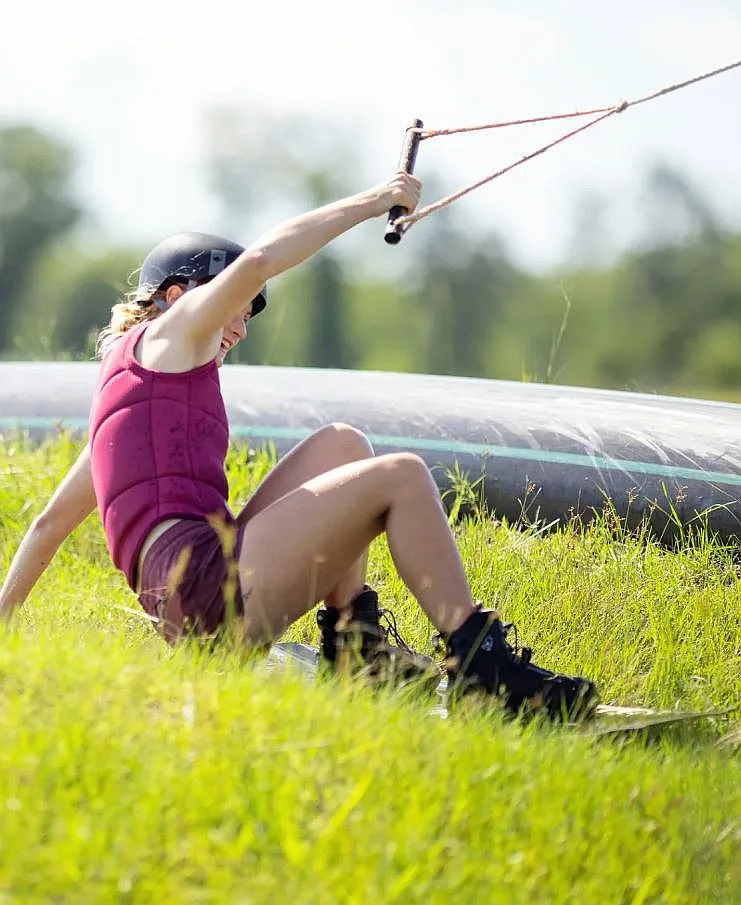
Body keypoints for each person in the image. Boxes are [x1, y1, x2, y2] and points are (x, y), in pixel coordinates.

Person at [0, 172, 599, 720]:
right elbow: (261, 258)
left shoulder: (127, 398)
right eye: (233, 306)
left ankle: (356, 652)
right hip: (209, 596)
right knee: (403, 475)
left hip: (196, 597)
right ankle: (482, 670)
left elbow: (49, 523)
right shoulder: (172, 335)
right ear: (179, 297)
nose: (239, 327)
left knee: (342, 444)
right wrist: (372, 202)